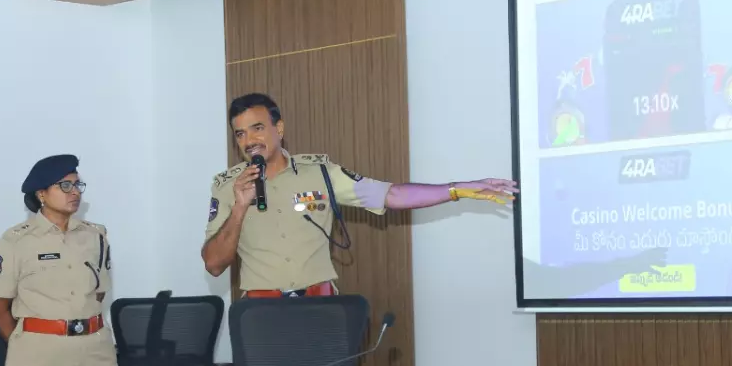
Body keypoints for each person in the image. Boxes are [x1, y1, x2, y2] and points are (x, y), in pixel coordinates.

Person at [202, 93, 516, 296]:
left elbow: (392, 195)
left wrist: (457, 189)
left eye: (257, 128)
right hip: (261, 315)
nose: (249, 140)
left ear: (279, 128)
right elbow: (214, 264)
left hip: (320, 308)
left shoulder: (320, 172)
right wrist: (240, 208)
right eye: (240, 134)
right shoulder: (227, 185)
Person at [0, 154, 117, 366]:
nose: (75, 192)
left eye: (77, 185)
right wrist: (24, 346)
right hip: (39, 354)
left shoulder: (95, 237)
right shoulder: (16, 241)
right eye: (65, 185)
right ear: (41, 194)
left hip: (95, 353)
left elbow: (97, 294)